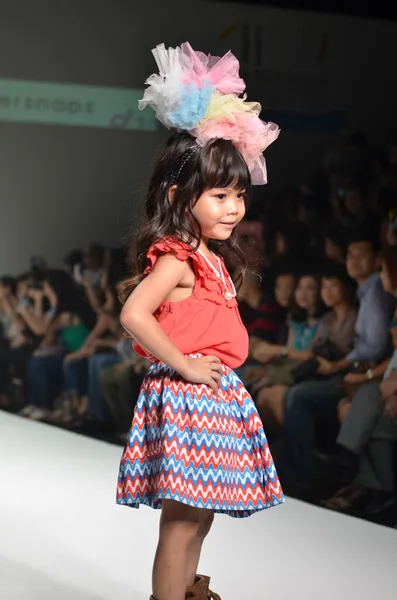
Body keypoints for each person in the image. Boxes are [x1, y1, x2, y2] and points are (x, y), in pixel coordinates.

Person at [116, 41, 284, 600]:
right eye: (218, 195)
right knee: (182, 521)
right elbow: (134, 313)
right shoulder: (177, 255)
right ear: (178, 194)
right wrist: (184, 364)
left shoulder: (211, 255)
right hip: (189, 397)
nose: (234, 207)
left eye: (238, 195)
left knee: (200, 516)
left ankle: (188, 591)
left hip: (212, 396)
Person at [277, 230, 395, 492]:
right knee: (295, 394)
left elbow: (373, 348)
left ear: (377, 260)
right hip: (361, 373)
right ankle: (302, 471)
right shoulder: (365, 295)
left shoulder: (375, 294)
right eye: (350, 255)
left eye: (360, 255)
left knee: (299, 396)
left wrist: (345, 368)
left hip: (366, 373)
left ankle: (305, 474)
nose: (352, 260)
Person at [324, 246, 397, 513]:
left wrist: (391, 389)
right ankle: (375, 487)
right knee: (361, 404)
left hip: (389, 383)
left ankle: (350, 463)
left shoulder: (379, 300)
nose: (381, 277)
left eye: (384, 271)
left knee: (364, 406)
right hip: (386, 381)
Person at [254, 265, 357, 433]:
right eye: (300, 287)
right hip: (310, 371)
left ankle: (296, 452)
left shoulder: (332, 319)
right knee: (263, 393)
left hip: (326, 374)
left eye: (311, 288)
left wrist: (278, 354)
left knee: (282, 394)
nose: (303, 293)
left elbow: (311, 356)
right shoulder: (311, 320)